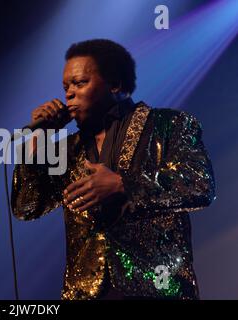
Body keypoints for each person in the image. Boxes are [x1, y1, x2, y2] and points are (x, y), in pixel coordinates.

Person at [11, 39, 215, 299]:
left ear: (115, 84)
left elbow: (201, 184)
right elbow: (27, 207)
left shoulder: (168, 125)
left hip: (157, 287)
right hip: (88, 293)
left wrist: (123, 185)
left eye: (80, 83)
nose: (69, 94)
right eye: (66, 87)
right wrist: (40, 139)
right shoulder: (68, 149)